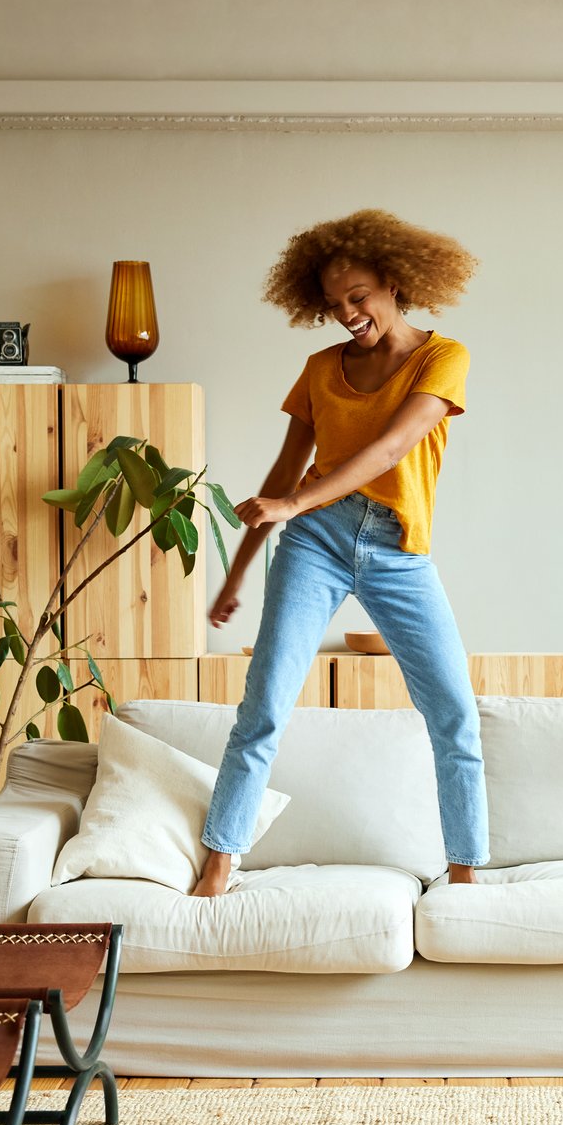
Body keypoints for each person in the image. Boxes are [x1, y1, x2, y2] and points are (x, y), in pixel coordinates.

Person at [194, 209, 487, 898]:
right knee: (264, 707)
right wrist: (237, 571)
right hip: (315, 544)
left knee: (454, 715)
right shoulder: (320, 369)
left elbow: (390, 447)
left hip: (397, 549)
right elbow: (280, 474)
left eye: (357, 297)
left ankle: (468, 874)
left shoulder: (443, 358)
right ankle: (217, 865)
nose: (347, 314)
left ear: (394, 280)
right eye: (333, 305)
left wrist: (295, 501)